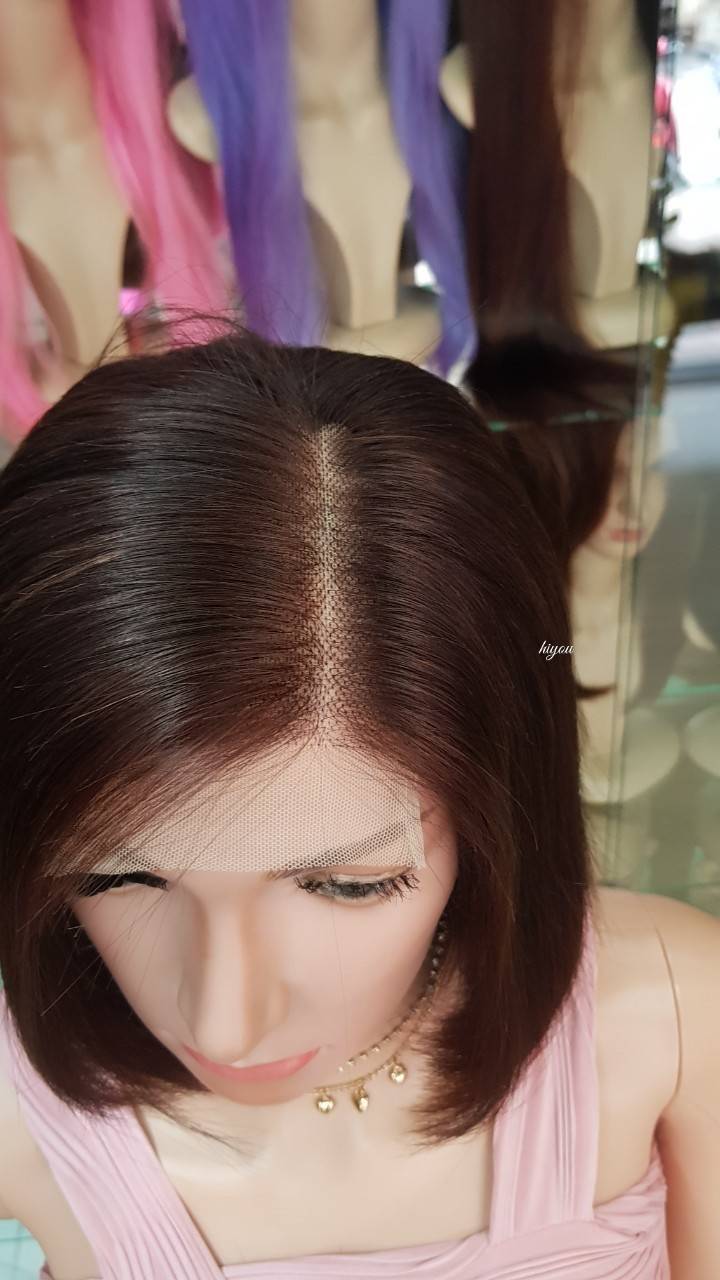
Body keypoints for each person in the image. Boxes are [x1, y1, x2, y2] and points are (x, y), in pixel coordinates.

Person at [0, 332, 717, 1280]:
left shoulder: (673, 1010)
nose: (222, 1025)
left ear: (497, 813)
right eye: (112, 875)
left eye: (346, 884)